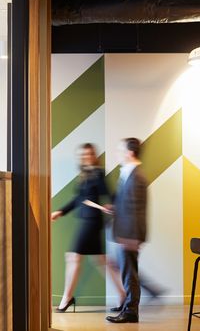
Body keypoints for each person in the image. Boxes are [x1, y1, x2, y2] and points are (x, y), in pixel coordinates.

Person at [51, 143, 125, 312]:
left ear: (94, 155)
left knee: (73, 257)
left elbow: (109, 193)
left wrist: (112, 206)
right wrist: (61, 211)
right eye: (83, 154)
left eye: (89, 154)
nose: (86, 157)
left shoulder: (97, 173)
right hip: (87, 220)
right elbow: (79, 199)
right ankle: (123, 294)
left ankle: (66, 299)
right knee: (101, 260)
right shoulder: (85, 174)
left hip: (92, 222)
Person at [106, 138, 147, 323]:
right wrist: (114, 207)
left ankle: (130, 312)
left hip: (130, 235)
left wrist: (133, 237)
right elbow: (127, 204)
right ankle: (129, 309)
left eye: (120, 150)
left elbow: (138, 209)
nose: (117, 153)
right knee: (128, 272)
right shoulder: (129, 173)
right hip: (126, 233)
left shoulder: (137, 177)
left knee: (130, 274)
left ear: (130, 153)